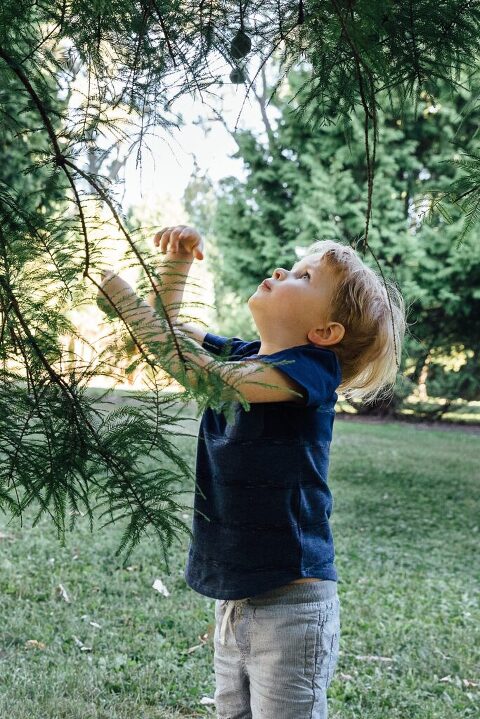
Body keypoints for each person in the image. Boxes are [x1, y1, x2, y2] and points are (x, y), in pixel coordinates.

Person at [98, 225, 406, 719]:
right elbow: (172, 333)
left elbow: (202, 376)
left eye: (305, 278)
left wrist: (123, 299)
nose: (284, 271)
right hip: (237, 597)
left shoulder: (307, 371)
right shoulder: (245, 357)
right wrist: (177, 263)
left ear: (324, 334)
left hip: (291, 603)